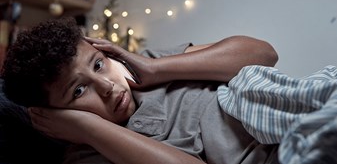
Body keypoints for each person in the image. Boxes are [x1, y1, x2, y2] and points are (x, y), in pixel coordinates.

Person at [1, 17, 279, 164]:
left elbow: (264, 55)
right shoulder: (90, 154)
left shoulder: (143, 64)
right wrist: (89, 129)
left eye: (98, 65)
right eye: (78, 91)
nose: (108, 86)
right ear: (56, 116)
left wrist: (157, 68)